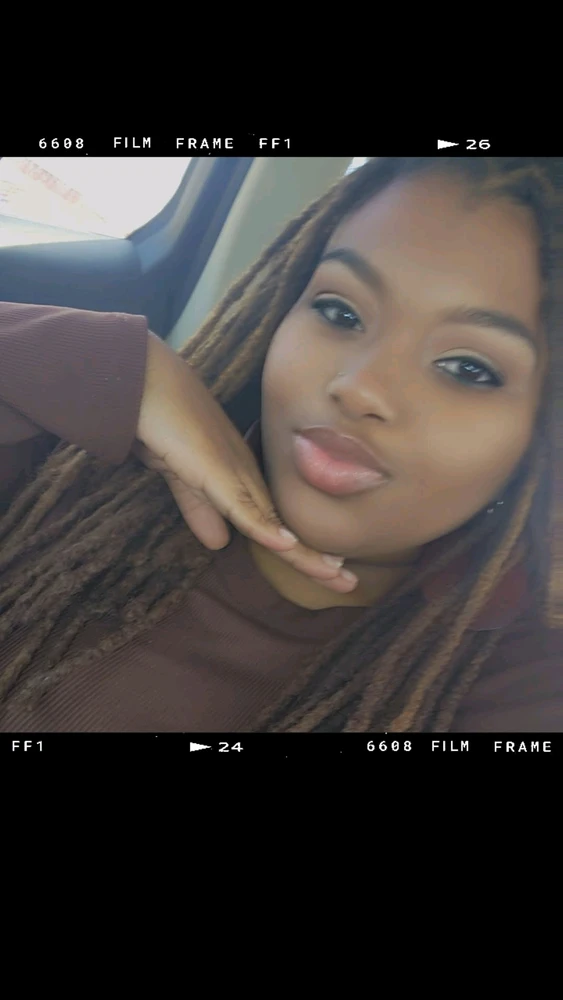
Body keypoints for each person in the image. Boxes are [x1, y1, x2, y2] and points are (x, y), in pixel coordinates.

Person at [1, 155, 562, 734]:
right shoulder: (82, 463)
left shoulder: (517, 682)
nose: (359, 387)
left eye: (468, 369)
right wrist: (118, 363)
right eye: (339, 311)